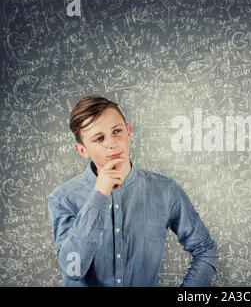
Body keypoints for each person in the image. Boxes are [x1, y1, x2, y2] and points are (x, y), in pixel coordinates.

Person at [47, 95, 218, 286]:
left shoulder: (165, 191)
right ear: (82, 150)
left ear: (128, 131)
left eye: (117, 131)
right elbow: (74, 271)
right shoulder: (62, 199)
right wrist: (99, 196)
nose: (112, 143)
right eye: (99, 138)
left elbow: (205, 249)